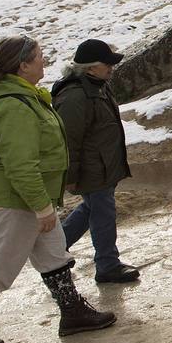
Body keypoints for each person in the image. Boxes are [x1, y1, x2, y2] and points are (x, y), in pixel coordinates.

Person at [0, 35, 115, 343]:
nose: (44, 62)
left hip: (28, 199)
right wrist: (42, 208)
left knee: (54, 255)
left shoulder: (24, 97)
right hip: (16, 201)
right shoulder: (13, 106)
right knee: (1, 267)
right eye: (38, 57)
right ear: (22, 65)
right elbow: (20, 166)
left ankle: (73, 311)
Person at [55, 38, 138, 284]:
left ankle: (54, 249)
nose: (112, 67)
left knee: (92, 208)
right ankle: (107, 265)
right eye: (107, 63)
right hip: (92, 169)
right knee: (102, 213)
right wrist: (70, 177)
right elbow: (68, 140)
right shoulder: (75, 96)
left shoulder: (96, 85)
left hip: (101, 165)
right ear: (91, 68)